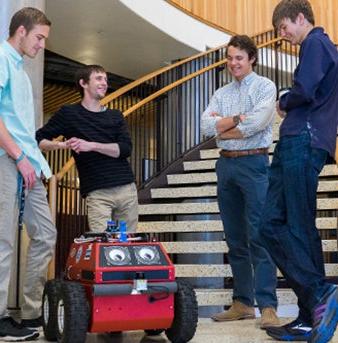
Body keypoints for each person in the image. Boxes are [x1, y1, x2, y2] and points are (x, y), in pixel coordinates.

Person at [259, 1, 338, 342]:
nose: (282, 35)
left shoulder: (316, 43)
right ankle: (313, 310)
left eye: (283, 27)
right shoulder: (325, 49)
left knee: (289, 224)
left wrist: (283, 98)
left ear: (300, 18)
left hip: (302, 140)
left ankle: (318, 295)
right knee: (277, 224)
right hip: (305, 140)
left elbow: (303, 90)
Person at [201, 35, 279, 329]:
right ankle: (243, 302)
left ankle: (268, 304)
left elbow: (255, 125)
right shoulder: (221, 92)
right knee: (234, 238)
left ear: (252, 59)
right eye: (230, 57)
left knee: (259, 235)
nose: (233, 63)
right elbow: (206, 127)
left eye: (239, 58)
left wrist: (226, 127)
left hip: (255, 164)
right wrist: (235, 121)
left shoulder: (265, 87)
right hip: (226, 166)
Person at [0, 7, 56, 341]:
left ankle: (31, 311)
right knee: (4, 239)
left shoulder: (20, 71)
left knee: (45, 235)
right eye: (38, 37)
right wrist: (18, 155)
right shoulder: (2, 58)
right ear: (21, 31)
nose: (41, 45)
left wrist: (35, 157)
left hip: (28, 164)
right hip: (8, 159)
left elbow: (21, 126)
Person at [36, 65, 138, 233]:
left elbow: (125, 149)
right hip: (97, 193)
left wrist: (91, 145)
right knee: (104, 248)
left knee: (126, 247)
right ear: (83, 83)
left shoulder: (115, 115)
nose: (104, 83)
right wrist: (62, 144)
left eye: (105, 79)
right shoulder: (68, 113)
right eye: (99, 78)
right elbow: (38, 139)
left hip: (127, 189)